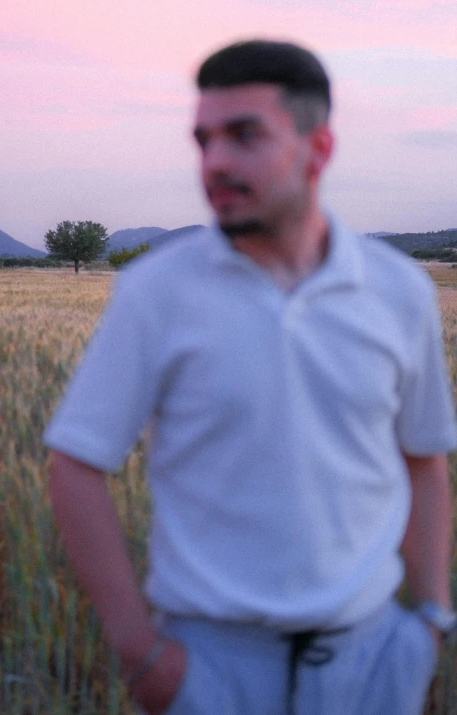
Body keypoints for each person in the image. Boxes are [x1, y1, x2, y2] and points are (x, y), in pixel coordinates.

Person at [43, 40, 457, 715]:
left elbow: (424, 458)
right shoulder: (157, 292)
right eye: (203, 140)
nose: (215, 163)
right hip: (213, 670)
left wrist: (431, 620)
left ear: (318, 148)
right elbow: (74, 464)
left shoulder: (399, 291)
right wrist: (141, 653)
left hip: (374, 660)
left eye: (244, 136)